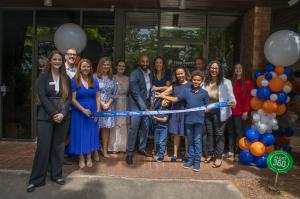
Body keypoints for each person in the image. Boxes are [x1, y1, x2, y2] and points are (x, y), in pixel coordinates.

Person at [27, 50, 71, 192]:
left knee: (58, 147)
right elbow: (42, 96)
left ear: (62, 62)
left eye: (59, 59)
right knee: (43, 148)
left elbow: (69, 98)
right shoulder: (43, 76)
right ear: (50, 61)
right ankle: (36, 180)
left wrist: (63, 114)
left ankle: (56, 175)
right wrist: (54, 113)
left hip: (63, 117)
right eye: (55, 59)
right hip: (46, 116)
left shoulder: (66, 78)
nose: (57, 61)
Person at [158, 70, 209, 172]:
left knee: (197, 141)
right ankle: (190, 160)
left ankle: (197, 162)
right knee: (190, 141)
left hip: (199, 121)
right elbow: (176, 99)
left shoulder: (205, 93)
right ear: (192, 80)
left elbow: (207, 107)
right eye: (194, 80)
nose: (196, 82)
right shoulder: (187, 91)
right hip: (188, 120)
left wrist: (207, 108)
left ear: (202, 81)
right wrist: (162, 96)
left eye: (198, 80)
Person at [69, 59, 101, 168]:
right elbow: (72, 99)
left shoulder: (94, 80)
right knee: (80, 134)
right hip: (79, 111)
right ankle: (81, 157)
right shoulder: (74, 81)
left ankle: (89, 156)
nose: (86, 68)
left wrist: (97, 111)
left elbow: (97, 96)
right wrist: (83, 109)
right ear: (80, 68)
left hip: (92, 111)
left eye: (88, 66)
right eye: (84, 66)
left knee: (91, 133)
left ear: (90, 68)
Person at [203, 61, 236, 168]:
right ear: (209, 69)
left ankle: (218, 157)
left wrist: (233, 102)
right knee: (210, 133)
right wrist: (203, 107)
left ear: (220, 70)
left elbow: (231, 96)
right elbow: (201, 96)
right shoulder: (205, 82)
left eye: (216, 68)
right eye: (212, 68)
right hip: (207, 112)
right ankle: (210, 154)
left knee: (219, 134)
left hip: (220, 112)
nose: (214, 70)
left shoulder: (226, 82)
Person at [126, 53, 153, 165]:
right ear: (139, 62)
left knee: (145, 128)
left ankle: (142, 149)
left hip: (145, 104)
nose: (145, 64)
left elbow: (149, 89)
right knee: (134, 128)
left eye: (147, 61)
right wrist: (144, 108)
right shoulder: (134, 74)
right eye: (143, 61)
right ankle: (130, 153)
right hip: (135, 105)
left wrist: (150, 101)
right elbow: (135, 93)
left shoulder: (150, 74)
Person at [160, 66, 191, 162]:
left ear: (185, 73)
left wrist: (165, 98)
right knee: (176, 134)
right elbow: (164, 93)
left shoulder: (190, 84)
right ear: (176, 75)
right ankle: (174, 154)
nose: (180, 75)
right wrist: (165, 100)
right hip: (176, 111)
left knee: (186, 135)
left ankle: (187, 154)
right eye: (178, 74)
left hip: (186, 111)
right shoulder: (174, 85)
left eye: (181, 73)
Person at [227, 63, 253, 161]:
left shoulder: (247, 83)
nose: (238, 69)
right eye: (236, 68)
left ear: (243, 70)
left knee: (239, 133)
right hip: (229, 111)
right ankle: (230, 152)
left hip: (240, 112)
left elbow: (248, 99)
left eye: (240, 68)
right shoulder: (230, 82)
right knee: (230, 132)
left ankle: (238, 153)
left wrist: (246, 111)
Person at [94, 57, 118, 158]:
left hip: (109, 106)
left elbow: (115, 93)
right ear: (100, 65)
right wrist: (101, 104)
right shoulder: (95, 77)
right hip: (97, 106)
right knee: (96, 129)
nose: (106, 66)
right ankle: (94, 150)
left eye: (108, 65)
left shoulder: (113, 78)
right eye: (104, 64)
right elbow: (93, 91)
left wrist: (108, 104)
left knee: (106, 129)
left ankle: (104, 150)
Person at [108, 60, 129, 152]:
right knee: (114, 124)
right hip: (114, 102)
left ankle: (123, 147)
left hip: (125, 102)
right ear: (116, 67)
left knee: (124, 124)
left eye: (123, 66)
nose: (121, 68)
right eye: (120, 66)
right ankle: (114, 147)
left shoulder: (128, 78)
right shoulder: (111, 77)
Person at [63, 47, 77, 165]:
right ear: (65, 56)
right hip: (63, 107)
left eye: (74, 55)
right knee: (62, 133)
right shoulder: (61, 69)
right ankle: (59, 156)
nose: (72, 56)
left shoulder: (78, 70)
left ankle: (64, 154)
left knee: (71, 132)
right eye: (70, 54)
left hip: (75, 108)